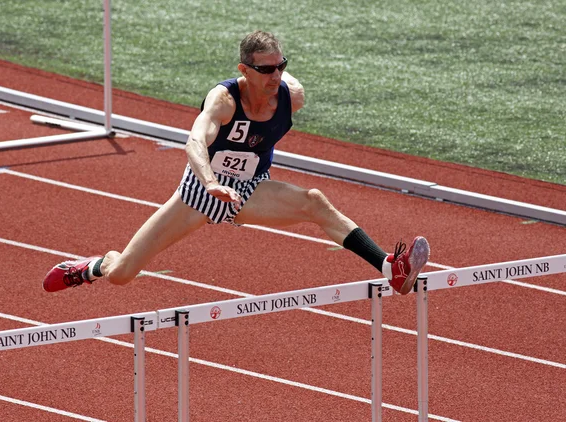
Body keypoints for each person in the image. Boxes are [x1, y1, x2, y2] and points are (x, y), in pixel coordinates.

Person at [43, 30, 430, 296]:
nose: (274, 75)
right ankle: (93, 267)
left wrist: (278, 72)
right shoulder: (224, 101)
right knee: (123, 274)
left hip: (249, 190)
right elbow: (195, 140)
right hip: (199, 193)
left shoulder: (291, 97)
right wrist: (210, 182)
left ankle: (388, 269)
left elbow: (281, 81)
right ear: (244, 70)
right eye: (265, 69)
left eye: (280, 66)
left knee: (315, 201)